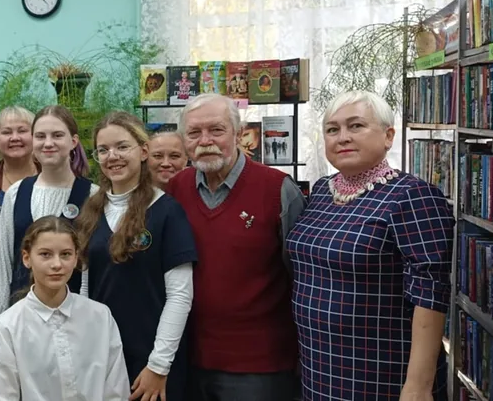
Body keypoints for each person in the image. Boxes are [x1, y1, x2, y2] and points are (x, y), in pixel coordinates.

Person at [287, 91, 452, 400]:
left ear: (388, 136)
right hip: (318, 367)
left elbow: (430, 294)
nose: (342, 137)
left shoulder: (412, 195)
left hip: (380, 373)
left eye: (356, 126)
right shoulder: (322, 191)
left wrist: (418, 386)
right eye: (332, 129)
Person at [164, 93, 305, 400]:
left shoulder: (278, 190)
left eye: (216, 130)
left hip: (259, 367)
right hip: (189, 357)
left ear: (238, 133)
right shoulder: (177, 189)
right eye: (194, 132)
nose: (205, 141)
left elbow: (302, 278)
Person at [78, 111, 197, 401]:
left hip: (151, 361)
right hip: (103, 355)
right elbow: (84, 288)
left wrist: (159, 364)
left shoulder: (167, 211)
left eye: (122, 146)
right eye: (103, 150)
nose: (112, 156)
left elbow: (180, 296)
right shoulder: (91, 209)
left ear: (143, 151)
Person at [0, 216, 130, 400]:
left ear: (76, 258)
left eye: (66, 254)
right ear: (27, 258)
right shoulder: (8, 326)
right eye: (45, 254)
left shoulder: (100, 317)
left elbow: (116, 391)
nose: (57, 264)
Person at [0, 105, 98, 316]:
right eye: (40, 136)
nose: (48, 143)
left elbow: (92, 267)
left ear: (73, 141)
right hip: (21, 316)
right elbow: (4, 263)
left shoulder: (93, 196)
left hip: (74, 316)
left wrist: (85, 318)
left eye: (57, 135)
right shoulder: (15, 193)